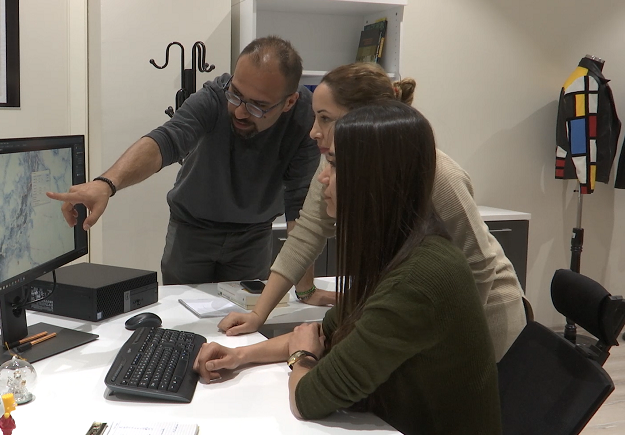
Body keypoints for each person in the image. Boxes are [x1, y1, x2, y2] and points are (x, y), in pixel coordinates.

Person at [193, 101, 502, 433]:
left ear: (374, 178)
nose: (323, 178)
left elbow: (308, 397)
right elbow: (323, 335)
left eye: (334, 165)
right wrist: (238, 356)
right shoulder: (400, 252)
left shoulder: (417, 279)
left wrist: (301, 358)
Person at [219, 62, 527, 361]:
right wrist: (258, 314)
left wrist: (453, 335)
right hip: (424, 313)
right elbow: (307, 233)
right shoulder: (333, 164)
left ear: (364, 119)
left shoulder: (438, 173)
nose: (313, 132)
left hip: (483, 315)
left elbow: (479, 263)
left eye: (325, 118)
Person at [47, 36, 319, 284]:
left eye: (258, 105)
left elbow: (300, 204)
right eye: (236, 94)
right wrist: (106, 184)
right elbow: (167, 139)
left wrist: (305, 288)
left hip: (254, 235)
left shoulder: (305, 118)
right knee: (180, 311)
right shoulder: (214, 97)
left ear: (289, 102)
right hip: (192, 229)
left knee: (243, 314)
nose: (239, 112)